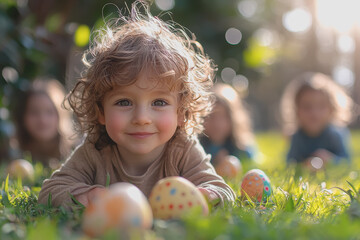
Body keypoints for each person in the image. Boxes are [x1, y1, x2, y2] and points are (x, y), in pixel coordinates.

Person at [38, 2, 236, 208]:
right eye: (124, 102)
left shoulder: (182, 150)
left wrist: (203, 196)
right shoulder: (96, 149)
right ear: (101, 111)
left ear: (181, 112)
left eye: (159, 102)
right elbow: (50, 192)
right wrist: (90, 197)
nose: (141, 118)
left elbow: (222, 191)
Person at [280, 72, 353, 170]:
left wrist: (330, 160)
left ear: (332, 109)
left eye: (321, 106)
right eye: (307, 107)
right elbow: (290, 163)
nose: (314, 113)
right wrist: (304, 165)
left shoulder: (335, 135)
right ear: (296, 110)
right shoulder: (297, 137)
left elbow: (347, 162)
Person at [12, 79, 75, 168]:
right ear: (23, 117)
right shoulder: (13, 152)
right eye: (34, 112)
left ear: (61, 115)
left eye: (49, 112)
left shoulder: (77, 151)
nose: (42, 120)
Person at [200, 83, 256, 166]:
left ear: (234, 119)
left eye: (223, 117)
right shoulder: (199, 148)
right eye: (211, 116)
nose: (217, 124)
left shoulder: (242, 149)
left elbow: (250, 164)